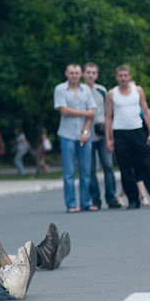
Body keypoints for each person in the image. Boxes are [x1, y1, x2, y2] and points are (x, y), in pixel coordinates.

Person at [104, 65, 150, 209]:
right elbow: (108, 117)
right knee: (125, 167)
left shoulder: (137, 90)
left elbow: (146, 112)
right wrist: (109, 138)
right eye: (120, 75)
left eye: (125, 75)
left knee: (146, 165)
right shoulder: (111, 93)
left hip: (137, 131)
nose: (123, 78)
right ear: (116, 77)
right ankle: (133, 200)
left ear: (129, 76)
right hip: (120, 132)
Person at [54, 63, 96, 212]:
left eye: (77, 73)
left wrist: (85, 132)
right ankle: (71, 204)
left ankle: (86, 202)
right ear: (66, 74)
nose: (74, 75)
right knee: (69, 172)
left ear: (81, 75)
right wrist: (85, 113)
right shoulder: (60, 89)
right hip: (67, 135)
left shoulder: (86, 90)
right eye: (71, 73)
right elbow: (64, 111)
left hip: (84, 136)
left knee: (86, 171)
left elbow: (92, 112)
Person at [82, 62, 121, 209]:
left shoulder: (102, 91)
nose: (90, 75)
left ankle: (111, 198)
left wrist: (110, 136)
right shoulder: (80, 90)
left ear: (96, 75)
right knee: (90, 169)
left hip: (101, 134)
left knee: (108, 165)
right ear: (83, 74)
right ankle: (95, 199)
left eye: (93, 72)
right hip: (86, 136)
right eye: (88, 72)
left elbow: (108, 114)